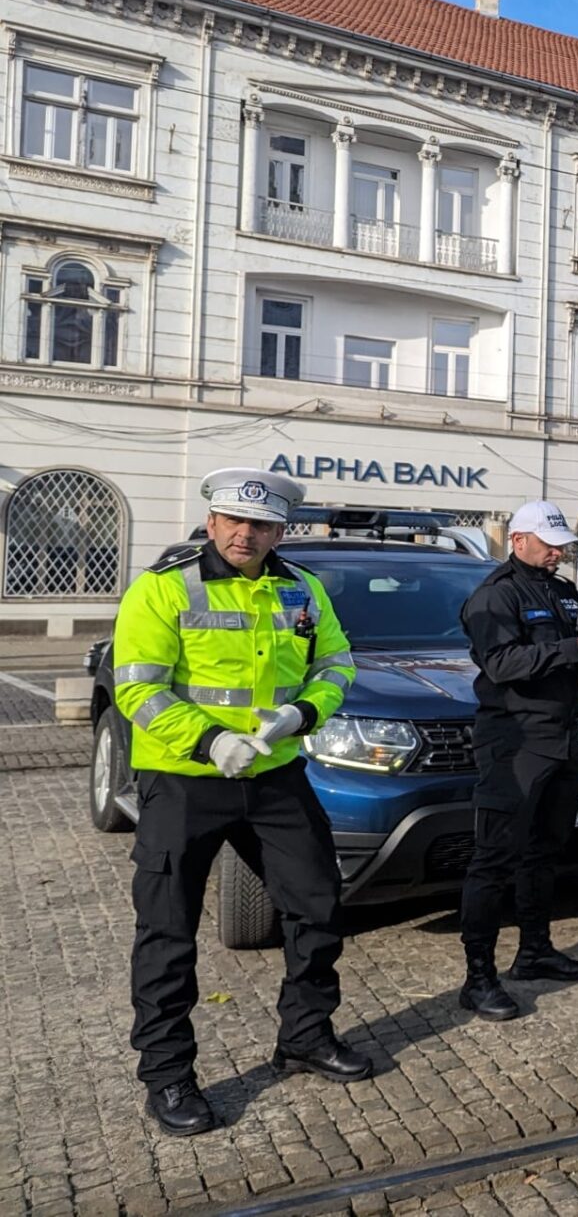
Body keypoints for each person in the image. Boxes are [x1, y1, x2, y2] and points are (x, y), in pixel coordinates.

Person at [113, 467, 369, 1137]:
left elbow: (337, 664)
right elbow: (137, 689)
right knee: (167, 931)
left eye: (261, 525)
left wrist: (303, 714)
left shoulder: (303, 588)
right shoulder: (163, 589)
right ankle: (168, 1077)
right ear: (214, 521)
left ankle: (306, 1038)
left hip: (275, 775)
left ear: (280, 529)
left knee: (317, 907)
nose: (246, 534)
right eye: (235, 521)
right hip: (184, 780)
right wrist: (207, 741)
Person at [457, 500, 578, 1022]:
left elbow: (577, 656)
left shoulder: (564, 591)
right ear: (518, 540)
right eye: (549, 544)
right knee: (493, 860)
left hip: (562, 736)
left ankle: (534, 951)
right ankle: (477, 978)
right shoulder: (495, 596)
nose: (558, 552)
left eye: (561, 544)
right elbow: (502, 663)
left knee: (545, 851)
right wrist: (577, 650)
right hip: (515, 740)